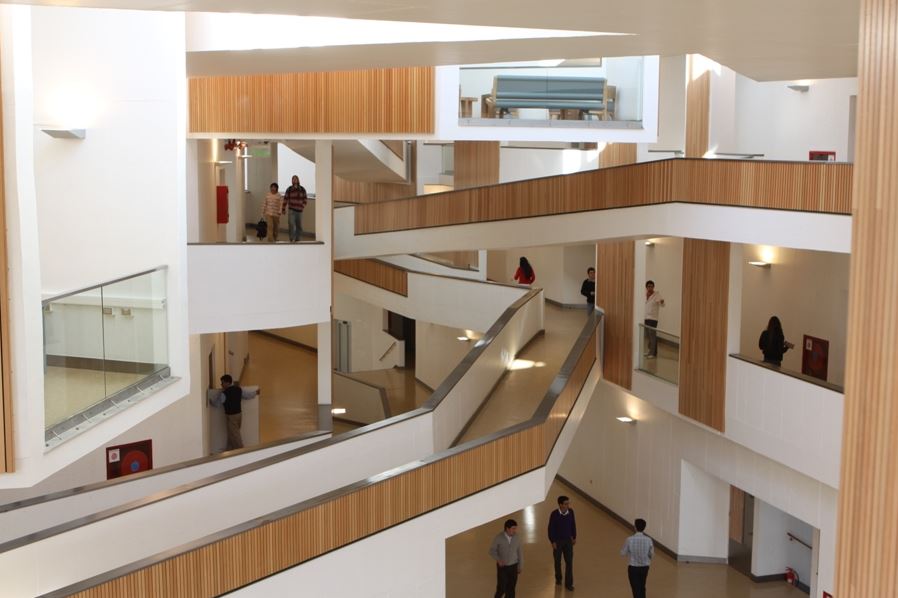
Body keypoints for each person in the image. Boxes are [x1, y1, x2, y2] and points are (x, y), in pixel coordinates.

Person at [548, 495, 577, 590]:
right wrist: (553, 541)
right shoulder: (554, 514)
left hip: (568, 541)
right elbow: (551, 528)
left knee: (569, 562)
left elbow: (573, 524)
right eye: (566, 504)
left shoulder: (571, 512)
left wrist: (574, 536)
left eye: (568, 503)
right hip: (558, 541)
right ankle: (558, 578)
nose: (568, 505)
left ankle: (569, 584)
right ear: (560, 505)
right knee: (557, 561)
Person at [488, 518, 523, 598]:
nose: (515, 531)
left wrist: (520, 566)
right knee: (501, 588)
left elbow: (520, 553)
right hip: (502, 567)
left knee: (511, 589)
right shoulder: (499, 538)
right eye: (513, 529)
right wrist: (498, 560)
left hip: (513, 566)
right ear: (507, 529)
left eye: (515, 528)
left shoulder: (517, 537)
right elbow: (492, 551)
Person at [620, 518, 654, 598]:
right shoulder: (649, 540)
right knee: (642, 586)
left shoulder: (629, 539)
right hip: (645, 567)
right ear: (644, 527)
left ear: (635, 527)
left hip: (633, 567)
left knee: (635, 588)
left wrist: (629, 552)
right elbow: (651, 555)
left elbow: (623, 553)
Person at [220, 374, 244, 450]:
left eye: (222, 382)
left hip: (231, 417)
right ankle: (229, 450)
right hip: (239, 414)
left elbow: (217, 403)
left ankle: (242, 452)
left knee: (235, 435)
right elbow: (246, 395)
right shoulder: (238, 389)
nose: (221, 385)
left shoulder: (224, 393)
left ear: (227, 382)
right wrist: (255, 392)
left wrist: (211, 401)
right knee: (232, 434)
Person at [644, 280, 665, 359]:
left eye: (651, 286)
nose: (650, 288)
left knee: (652, 336)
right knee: (648, 336)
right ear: (646, 287)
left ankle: (653, 353)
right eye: (648, 286)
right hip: (646, 318)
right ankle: (650, 351)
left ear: (653, 287)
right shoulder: (645, 294)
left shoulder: (657, 295)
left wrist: (662, 302)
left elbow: (662, 304)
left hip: (653, 318)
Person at [284, 175, 308, 243]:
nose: (294, 180)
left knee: (299, 226)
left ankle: (298, 239)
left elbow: (305, 199)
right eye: (293, 179)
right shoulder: (289, 189)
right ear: (292, 181)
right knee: (291, 224)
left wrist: (302, 206)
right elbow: (285, 199)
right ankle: (291, 238)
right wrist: (283, 208)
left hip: (299, 211)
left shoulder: (302, 189)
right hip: (291, 210)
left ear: (298, 180)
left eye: (295, 179)